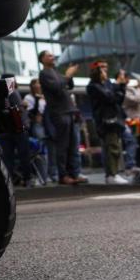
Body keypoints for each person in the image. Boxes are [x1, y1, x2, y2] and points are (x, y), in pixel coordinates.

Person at [38, 50, 87, 185]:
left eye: (53, 55)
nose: (53, 57)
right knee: (63, 146)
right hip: (59, 113)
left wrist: (69, 76)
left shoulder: (56, 72)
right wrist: (67, 75)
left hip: (69, 112)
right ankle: (63, 175)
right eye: (49, 55)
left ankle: (74, 174)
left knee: (73, 146)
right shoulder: (44, 74)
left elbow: (69, 85)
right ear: (42, 60)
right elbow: (56, 88)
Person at [86, 61, 130, 184]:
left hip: (114, 118)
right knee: (112, 146)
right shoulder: (93, 86)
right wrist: (119, 87)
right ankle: (112, 174)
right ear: (97, 73)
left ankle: (113, 173)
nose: (105, 72)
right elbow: (112, 98)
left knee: (114, 145)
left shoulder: (107, 83)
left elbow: (119, 97)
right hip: (105, 120)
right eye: (102, 70)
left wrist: (121, 86)